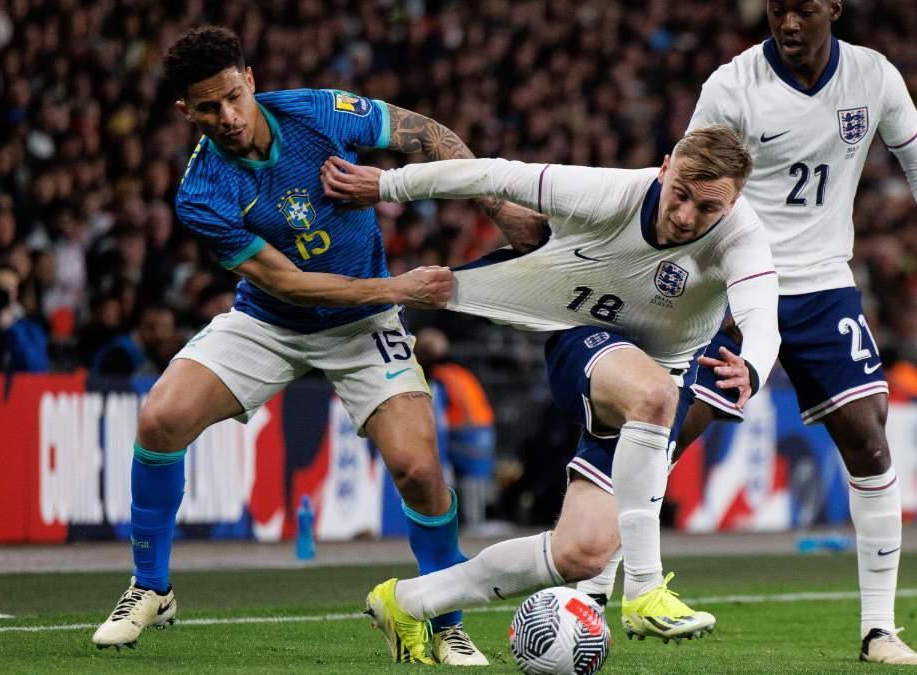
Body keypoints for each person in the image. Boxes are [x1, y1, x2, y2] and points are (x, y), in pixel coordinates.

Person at [91, 26, 546, 666]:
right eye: (206, 108)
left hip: (362, 328)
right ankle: (150, 587)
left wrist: (498, 208)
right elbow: (289, 284)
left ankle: (445, 619)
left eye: (232, 98)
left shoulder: (316, 112)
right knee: (160, 418)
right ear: (185, 112)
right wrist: (396, 286)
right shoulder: (203, 193)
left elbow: (430, 135)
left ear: (251, 81)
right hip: (271, 322)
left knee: (418, 470)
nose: (226, 117)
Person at [582, 1, 917, 665]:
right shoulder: (731, 87)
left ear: (833, 7)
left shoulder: (873, 77)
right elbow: (682, 189)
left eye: (802, 7)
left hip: (823, 286)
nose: (787, 20)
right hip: (735, 283)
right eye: (776, 7)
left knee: (869, 433)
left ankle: (878, 629)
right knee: (668, 429)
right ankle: (592, 589)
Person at [321, 126, 780, 653]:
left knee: (580, 553)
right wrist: (387, 185)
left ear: (734, 200)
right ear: (665, 166)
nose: (685, 216)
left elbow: (764, 318)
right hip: (585, 343)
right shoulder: (612, 194)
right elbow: (494, 174)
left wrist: (753, 366)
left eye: (707, 208)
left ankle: (408, 601)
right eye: (680, 194)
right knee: (654, 395)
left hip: (657, 387)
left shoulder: (740, 236)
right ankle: (646, 590)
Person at [413, 327, 498, 531]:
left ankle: (466, 522)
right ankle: (476, 520)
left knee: (451, 476)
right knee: (476, 479)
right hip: (484, 428)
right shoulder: (461, 372)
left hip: (462, 431)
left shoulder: (438, 377)